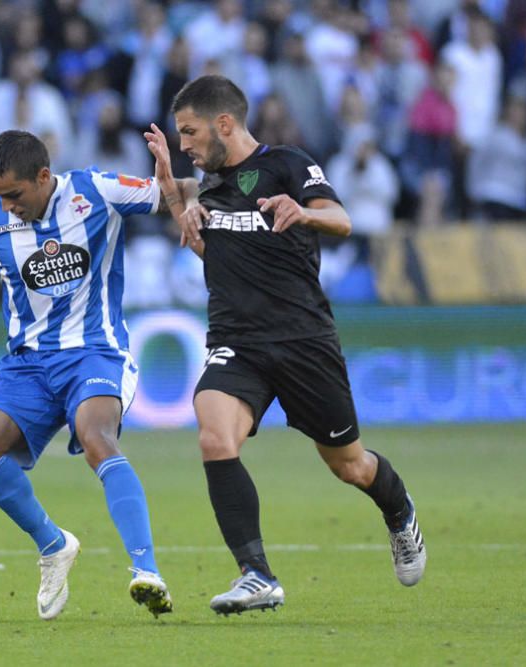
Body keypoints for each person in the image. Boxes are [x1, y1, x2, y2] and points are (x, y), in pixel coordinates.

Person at [143, 75, 426, 616]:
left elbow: (342, 220)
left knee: (349, 465)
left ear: (224, 123)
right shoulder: (208, 188)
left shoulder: (288, 165)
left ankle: (398, 509)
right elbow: (215, 251)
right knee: (214, 436)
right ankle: (256, 575)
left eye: (190, 132)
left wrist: (304, 213)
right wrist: (180, 202)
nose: (185, 145)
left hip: (302, 340)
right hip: (237, 340)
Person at [0, 130, 172, 620]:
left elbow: (178, 194)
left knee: (96, 436)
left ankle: (147, 571)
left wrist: (173, 180)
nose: (7, 206)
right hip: (28, 364)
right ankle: (54, 545)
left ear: (43, 177)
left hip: (96, 351)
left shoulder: (97, 190)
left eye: (14, 194)